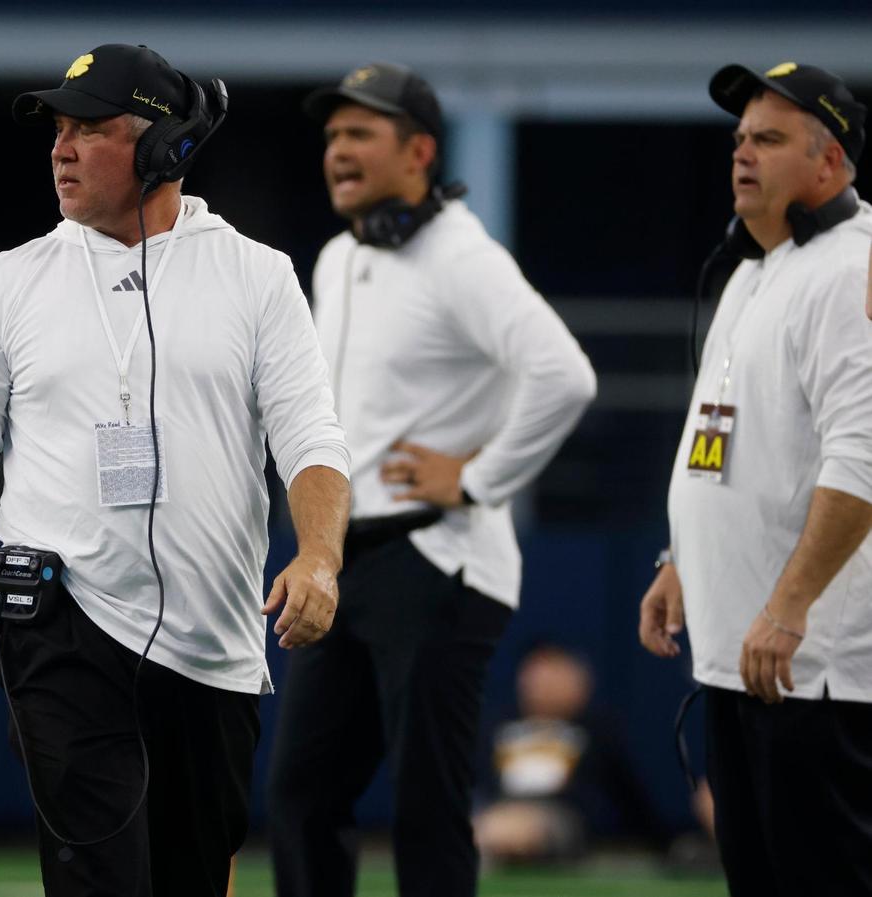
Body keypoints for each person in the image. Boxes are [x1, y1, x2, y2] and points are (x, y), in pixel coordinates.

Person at [0, 43, 351, 897]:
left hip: (210, 643)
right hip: (59, 625)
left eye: (88, 129)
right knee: (100, 876)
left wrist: (320, 557)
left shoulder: (258, 277)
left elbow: (310, 436)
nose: (61, 149)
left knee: (192, 877)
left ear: (162, 146)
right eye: (57, 130)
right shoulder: (11, 281)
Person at [267, 62, 596, 897]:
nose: (338, 150)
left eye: (360, 133)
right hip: (345, 562)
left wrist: (480, 478)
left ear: (419, 151)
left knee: (426, 804)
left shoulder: (461, 255)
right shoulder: (337, 257)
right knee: (300, 793)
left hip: (437, 560)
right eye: (332, 135)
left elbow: (564, 375)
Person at [639, 61, 872, 895]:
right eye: (740, 138)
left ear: (830, 162)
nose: (742, 153)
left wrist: (790, 605)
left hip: (814, 663)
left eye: (768, 139)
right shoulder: (751, 270)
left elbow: (863, 456)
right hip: (740, 653)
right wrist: (678, 559)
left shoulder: (852, 270)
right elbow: (721, 437)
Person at [472, 642, 669, 865]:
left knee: (516, 831)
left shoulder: (596, 731)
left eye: (552, 679)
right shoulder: (498, 728)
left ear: (580, 684)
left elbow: (630, 795)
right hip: (498, 811)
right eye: (536, 680)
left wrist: (660, 841)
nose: (542, 689)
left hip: (560, 817)